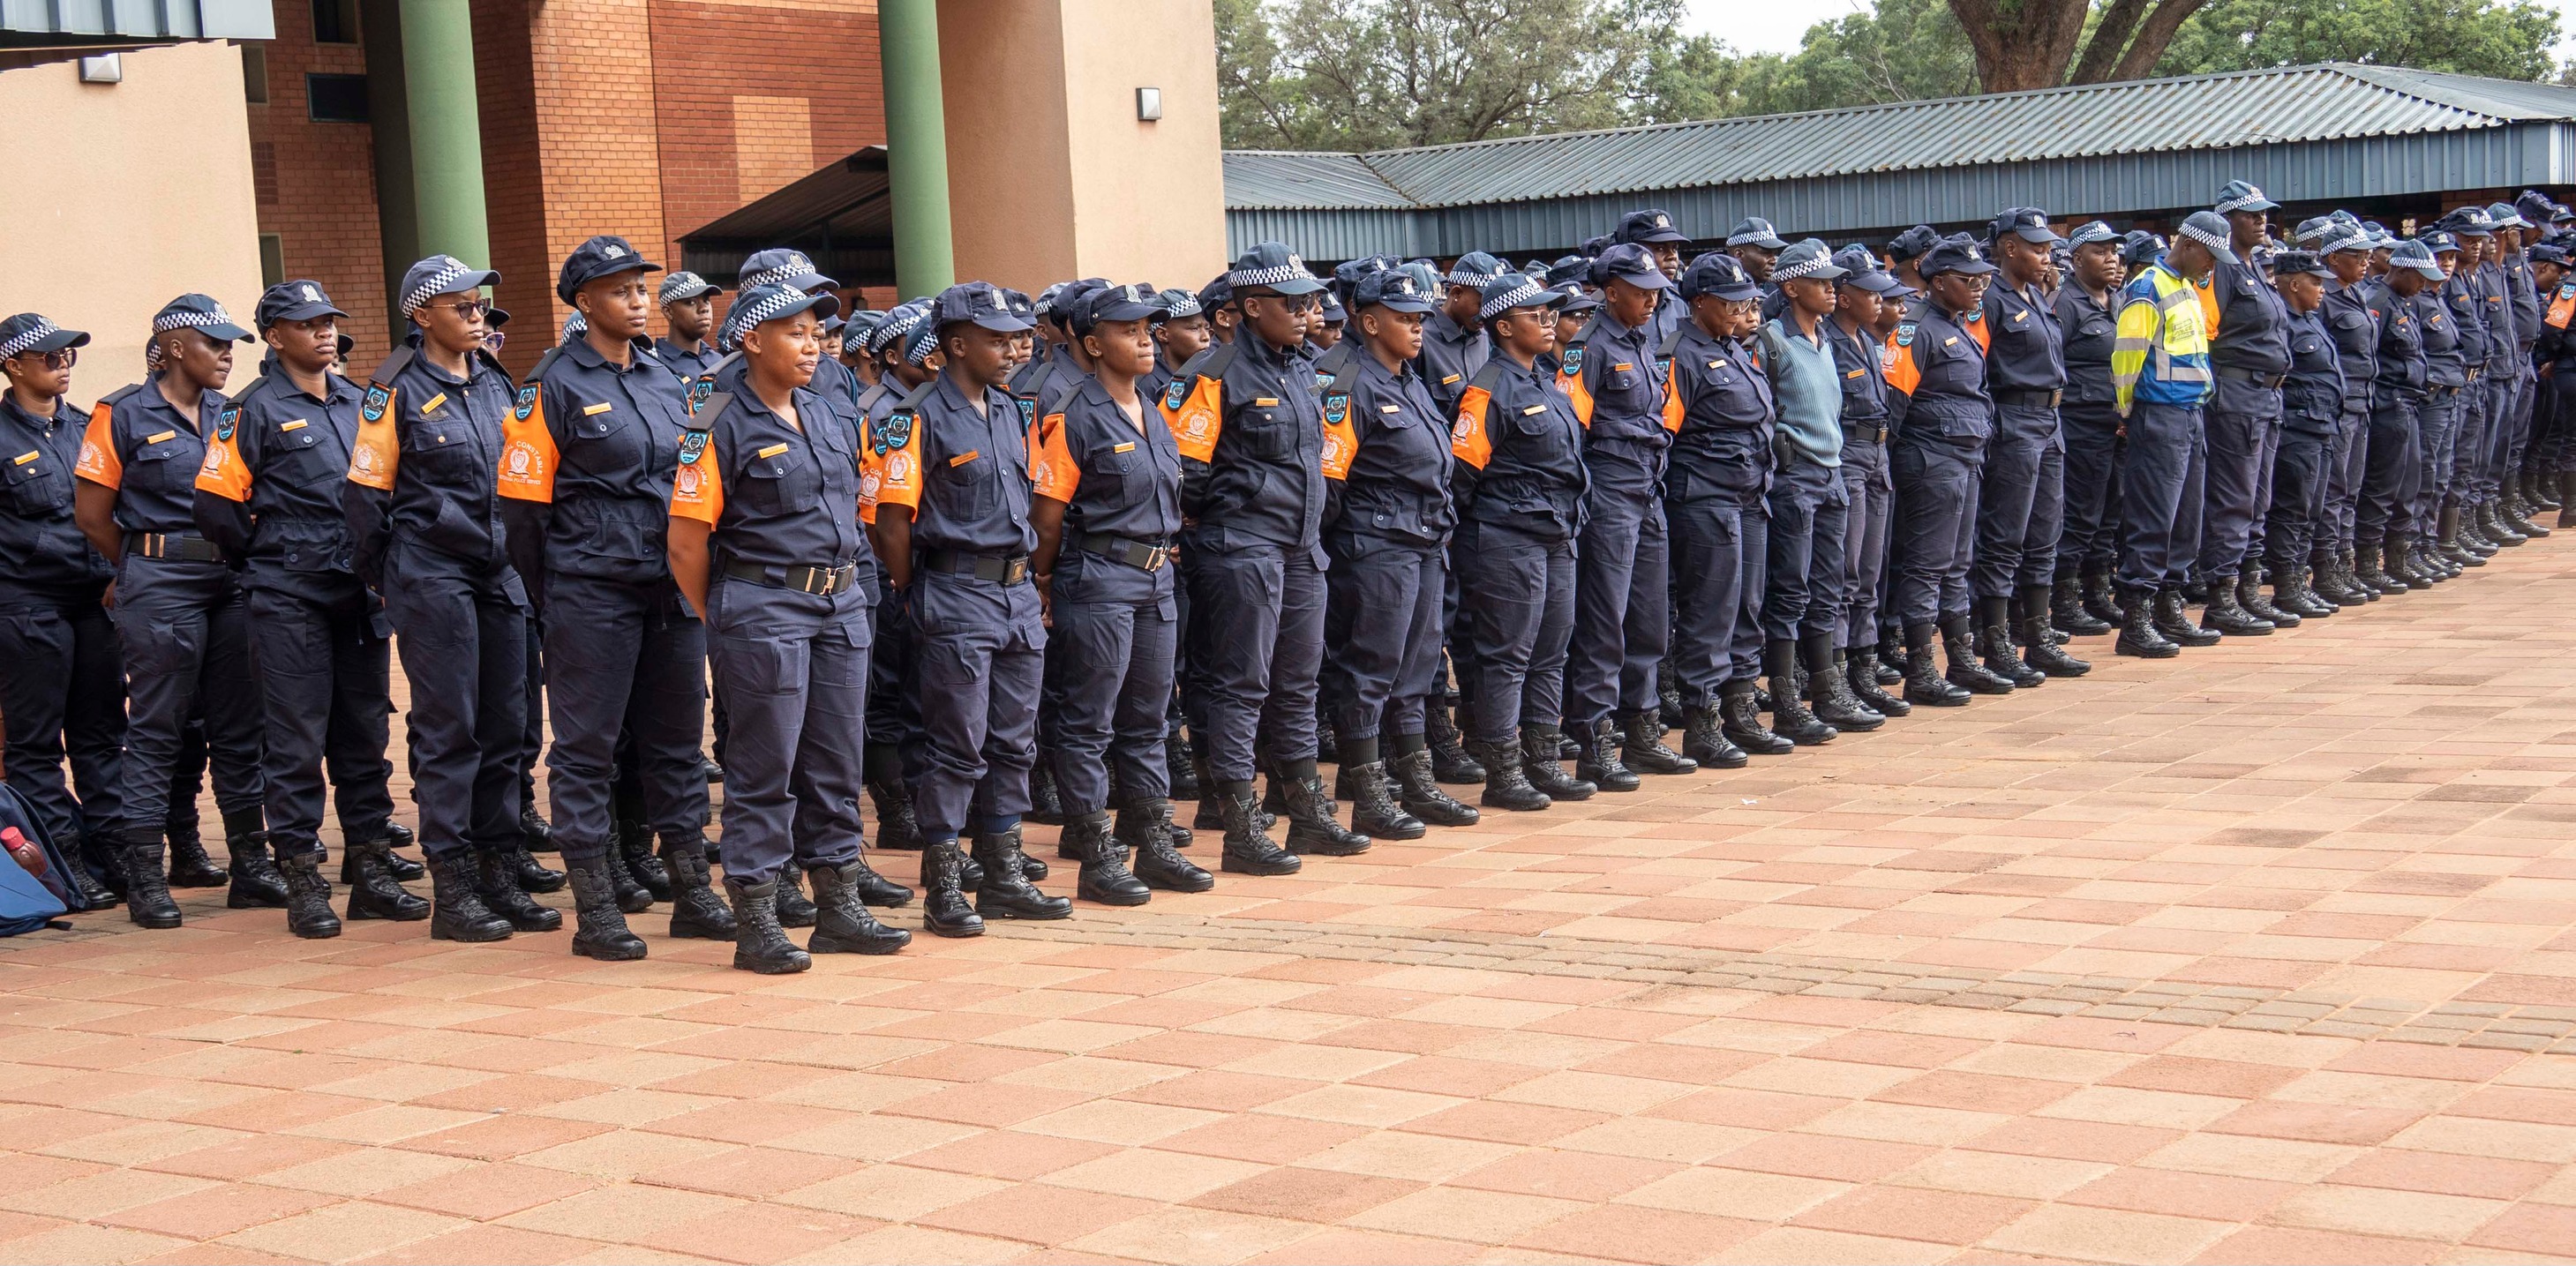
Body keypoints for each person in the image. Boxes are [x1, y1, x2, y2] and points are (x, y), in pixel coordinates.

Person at [499, 236, 753, 961]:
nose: (638, 300)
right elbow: (522, 513)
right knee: (587, 751)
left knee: (675, 747)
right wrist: (559, 594)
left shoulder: (663, 378)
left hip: (667, 593)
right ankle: (597, 906)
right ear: (584, 303)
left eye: (641, 288)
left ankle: (692, 891)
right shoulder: (548, 385)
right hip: (591, 593)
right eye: (620, 290)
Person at [670, 281, 908, 972]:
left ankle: (836, 904)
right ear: (751, 340)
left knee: (835, 761)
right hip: (762, 608)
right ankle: (758, 916)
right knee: (763, 768)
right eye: (795, 332)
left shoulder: (830, 413)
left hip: (838, 604)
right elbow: (686, 543)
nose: (812, 345)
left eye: (816, 332)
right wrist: (725, 618)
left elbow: (856, 514)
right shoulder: (714, 417)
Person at [192, 281, 419, 937]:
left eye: (329, 321)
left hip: (359, 591)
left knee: (364, 736)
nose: (324, 332)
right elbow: (215, 507)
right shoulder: (252, 409)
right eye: (307, 322)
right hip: (289, 594)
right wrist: (268, 552)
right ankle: (302, 881)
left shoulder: (360, 403)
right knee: (294, 743)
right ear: (274, 335)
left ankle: (372, 873)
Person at [344, 256, 560, 942]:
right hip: (432, 571)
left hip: (500, 571)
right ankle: (456, 885)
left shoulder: (496, 380)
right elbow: (365, 499)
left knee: (507, 724)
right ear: (421, 314)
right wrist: (394, 574)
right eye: (461, 306)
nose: (476, 316)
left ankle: (501, 869)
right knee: (450, 729)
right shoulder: (391, 389)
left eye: (479, 305)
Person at [868, 282, 1074, 927]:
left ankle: (1004, 871)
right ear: (956, 344)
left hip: (1014, 595)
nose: (1013, 349)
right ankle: (944, 881)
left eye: (1017, 336)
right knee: (956, 745)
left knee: (1014, 741)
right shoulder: (915, 415)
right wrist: (911, 590)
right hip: (955, 590)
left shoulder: (1012, 412)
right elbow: (892, 523)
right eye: (995, 338)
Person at [1162, 244, 1371, 867]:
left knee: (1297, 684)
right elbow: (1182, 474)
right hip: (1239, 547)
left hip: (1301, 549)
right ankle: (1240, 827)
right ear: (1251, 307)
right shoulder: (1211, 371)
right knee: (1239, 686)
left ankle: (1306, 814)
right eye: (1292, 302)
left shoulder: (1304, 368)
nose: (1308, 311)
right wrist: (1235, 508)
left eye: (1310, 299)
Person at [72, 296, 268, 928]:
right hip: (160, 580)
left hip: (229, 577)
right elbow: (92, 516)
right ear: (178, 345)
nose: (228, 353)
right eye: (215, 342)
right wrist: (135, 568)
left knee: (240, 730)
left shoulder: (230, 412)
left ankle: (251, 867)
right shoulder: (121, 412)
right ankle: (145, 877)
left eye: (231, 343)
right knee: (157, 729)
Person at [1025, 283, 1211, 901]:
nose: (1143, 338)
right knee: (1088, 722)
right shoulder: (1071, 413)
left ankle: (1152, 843)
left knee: (1149, 718)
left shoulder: (1152, 408)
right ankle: (1095, 850)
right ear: (1090, 342)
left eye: (1147, 328)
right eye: (1127, 329)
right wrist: (1045, 581)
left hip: (1155, 578)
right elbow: (1046, 516)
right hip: (1098, 577)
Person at [1315, 269, 1480, 835]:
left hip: (1425, 541)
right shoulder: (1345, 382)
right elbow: (1329, 485)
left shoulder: (1407, 378)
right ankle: (1366, 790)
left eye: (1419, 319)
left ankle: (1414, 780)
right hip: (1376, 545)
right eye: (1404, 319)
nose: (1417, 328)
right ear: (1368, 322)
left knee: (1418, 666)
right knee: (1371, 668)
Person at [1447, 273, 1594, 809]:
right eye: (1537, 314)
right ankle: (1503, 771)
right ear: (1504, 325)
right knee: (1506, 656)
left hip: (1556, 534)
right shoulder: (1487, 389)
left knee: (1550, 652)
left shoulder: (1542, 380)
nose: (1550, 320)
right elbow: (1461, 476)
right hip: (1507, 538)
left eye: (1552, 312)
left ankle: (1542, 760)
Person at [1558, 243, 1694, 792]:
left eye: (1655, 291)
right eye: (1640, 290)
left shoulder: (1643, 343)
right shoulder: (1587, 346)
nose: (1651, 298)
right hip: (1610, 492)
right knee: (1605, 621)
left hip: (1649, 488)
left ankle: (1642, 730)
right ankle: (1595, 742)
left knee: (1649, 619)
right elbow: (1571, 431)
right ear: (1610, 291)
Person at [0, 313, 123, 908]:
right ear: (12, 365)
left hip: (95, 599)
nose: (62, 363)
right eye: (48, 356)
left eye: (67, 354)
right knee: (36, 745)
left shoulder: (88, 428)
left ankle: (115, 853)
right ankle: (66, 862)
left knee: (102, 733)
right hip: (28, 605)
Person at [1758, 240, 1884, 739]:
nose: (1832, 289)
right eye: (1821, 281)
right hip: (1796, 479)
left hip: (1832, 473)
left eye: (1834, 281)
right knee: (1791, 590)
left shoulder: (1826, 341)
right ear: (1791, 288)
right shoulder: (1771, 341)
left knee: (1830, 588)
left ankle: (1827, 691)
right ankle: (1788, 701)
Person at [1664, 252, 1783, 760]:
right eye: (1729, 302)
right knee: (1709, 612)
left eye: (1745, 301)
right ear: (1700, 302)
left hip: (1749, 495)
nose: (1741, 310)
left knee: (1747, 606)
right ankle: (1703, 721)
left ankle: (1740, 709)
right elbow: (1663, 434)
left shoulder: (1735, 349)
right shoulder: (1678, 354)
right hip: (1705, 497)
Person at [1882, 239, 2008, 701]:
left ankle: (1960, 660)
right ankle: (1921, 672)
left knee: (1957, 564)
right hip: (1931, 461)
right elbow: (1893, 407)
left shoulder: (1959, 326)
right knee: (1926, 566)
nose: (1978, 287)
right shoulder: (1915, 330)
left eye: (1982, 279)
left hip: (1964, 457)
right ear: (1938, 282)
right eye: (1967, 279)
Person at [1976, 208, 2087, 683]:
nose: (2045, 256)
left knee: (2044, 535)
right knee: (2005, 538)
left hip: (2049, 419)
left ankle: (2038, 638)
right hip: (2014, 419)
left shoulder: (2038, 298)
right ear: (2008, 247)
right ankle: (1997, 643)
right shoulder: (1991, 300)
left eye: (2047, 248)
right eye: (2036, 247)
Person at [2109, 213, 2226, 656]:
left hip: (2190, 415)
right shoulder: (2148, 287)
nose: (2212, 267)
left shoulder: (2185, 287)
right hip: (2160, 417)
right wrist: (2127, 411)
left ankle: (2168, 609)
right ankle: (2136, 620)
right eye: (2211, 256)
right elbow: (2127, 360)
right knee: (2154, 519)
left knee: (2186, 520)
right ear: (2192, 246)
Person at [1819, 251, 1911, 721]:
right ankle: (1834, 683)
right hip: (1848, 457)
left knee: (1870, 573)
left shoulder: (1867, 340)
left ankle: (1863, 671)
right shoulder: (1829, 341)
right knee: (1845, 573)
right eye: (1868, 291)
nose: (1879, 299)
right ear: (1843, 296)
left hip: (1878, 456)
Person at [2259, 251, 2346, 619]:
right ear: (2294, 284)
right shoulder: (2281, 322)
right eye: (2316, 281)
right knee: (2291, 511)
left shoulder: (2309, 319)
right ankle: (2286, 588)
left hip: (2322, 426)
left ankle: (2299, 582)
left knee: (2310, 511)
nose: (2322, 289)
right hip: (2298, 427)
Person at [2054, 221, 2129, 634]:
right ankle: (2065, 600)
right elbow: (2052, 365)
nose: (2111, 258)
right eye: (2100, 251)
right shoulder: (2065, 303)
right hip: (2081, 424)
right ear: (2077, 258)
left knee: (2109, 513)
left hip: (2117, 423)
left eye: (2114, 251)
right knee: (2080, 514)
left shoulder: (2117, 300)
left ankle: (2098, 592)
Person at [2354, 240, 2441, 594]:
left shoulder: (2404, 300)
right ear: (2402, 270)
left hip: (2408, 403)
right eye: (2420, 278)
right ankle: (2366, 562)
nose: (2425, 285)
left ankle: (2398, 558)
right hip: (2388, 405)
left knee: (2409, 483)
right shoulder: (2377, 302)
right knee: (2381, 487)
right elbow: (2366, 357)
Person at [2316, 223, 2382, 605]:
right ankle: (2327, 570)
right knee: (2334, 490)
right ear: (2332, 258)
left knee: (2350, 489)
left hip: (2363, 403)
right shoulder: (2324, 299)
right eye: (2356, 256)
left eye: (2366, 256)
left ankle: (2344, 563)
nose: (2365, 261)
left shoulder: (2357, 293)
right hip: (2339, 405)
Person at [1420, 252, 1504, 419]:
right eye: (1481, 305)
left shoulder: (1484, 337)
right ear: (1457, 293)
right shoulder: (1421, 339)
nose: (1487, 315)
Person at [652, 272, 722, 381]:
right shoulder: (655, 366)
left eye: (706, 301)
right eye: (691, 302)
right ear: (668, 312)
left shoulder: (718, 360)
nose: (704, 308)